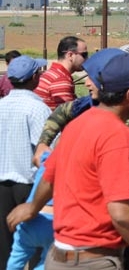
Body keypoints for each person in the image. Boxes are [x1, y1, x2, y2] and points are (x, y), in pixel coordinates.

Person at [7, 53, 129, 270]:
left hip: (58, 257)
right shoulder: (121, 137)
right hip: (94, 260)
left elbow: (49, 175)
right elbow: (123, 212)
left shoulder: (78, 123)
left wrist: (33, 207)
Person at [0, 55, 51, 269]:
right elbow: (47, 151)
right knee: (33, 245)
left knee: (5, 245)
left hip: (2, 185)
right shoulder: (38, 109)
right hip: (28, 186)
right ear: (33, 78)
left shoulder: (2, 105)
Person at [7, 152, 53, 270]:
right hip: (52, 222)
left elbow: (38, 158)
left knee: (17, 257)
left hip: (30, 220)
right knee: (47, 260)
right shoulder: (69, 166)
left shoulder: (46, 160)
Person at [34, 36, 88, 109]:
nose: (87, 59)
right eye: (84, 55)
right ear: (70, 55)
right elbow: (67, 115)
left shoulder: (52, 74)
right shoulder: (60, 80)